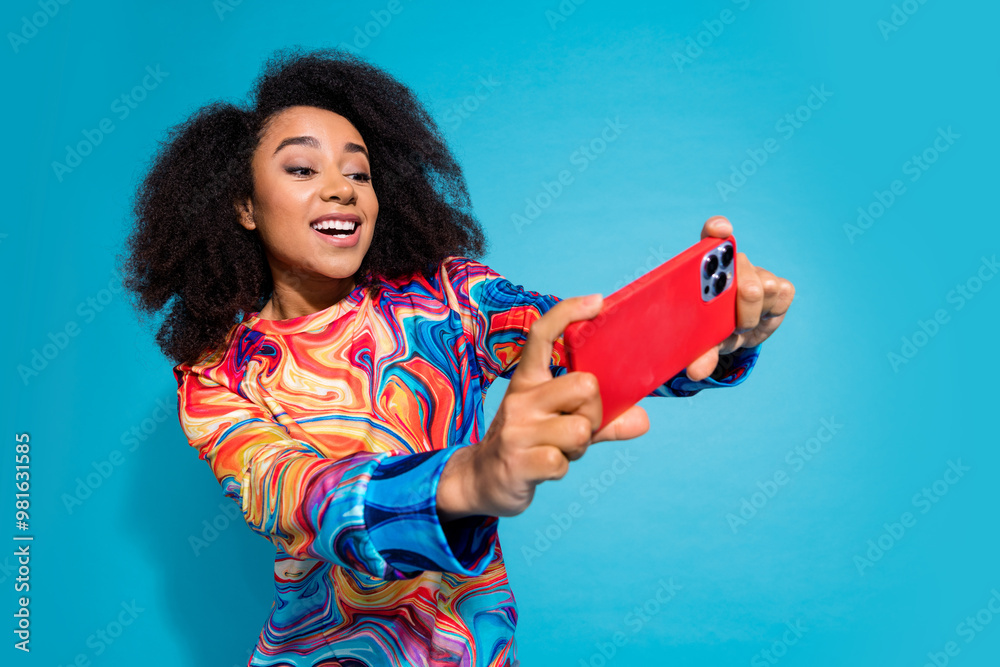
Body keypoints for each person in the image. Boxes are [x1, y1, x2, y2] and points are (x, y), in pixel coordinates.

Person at [118, 47, 794, 667]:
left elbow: (576, 342)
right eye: (302, 168)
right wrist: (471, 478)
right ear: (243, 205)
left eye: (360, 171)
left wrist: (706, 331)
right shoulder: (216, 378)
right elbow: (296, 496)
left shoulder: (447, 297)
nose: (342, 188)